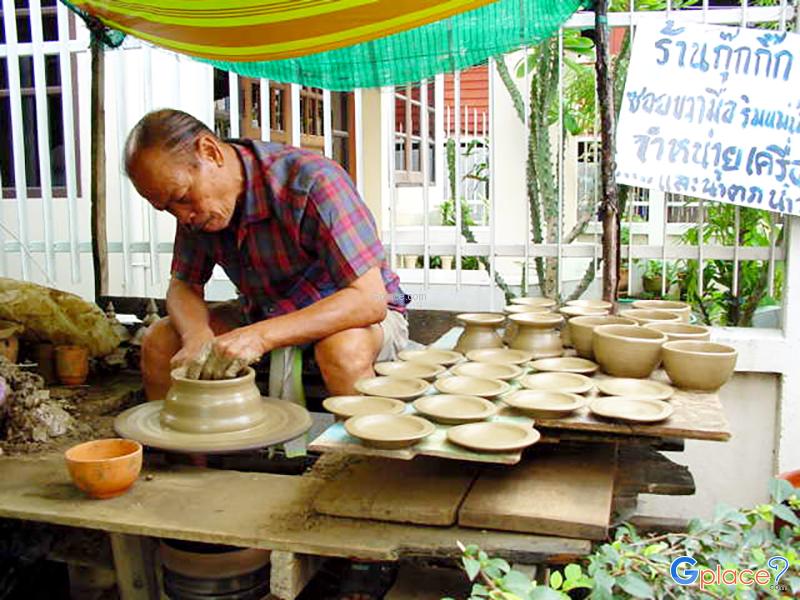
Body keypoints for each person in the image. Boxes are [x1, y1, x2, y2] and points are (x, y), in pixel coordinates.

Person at [125, 108, 409, 400]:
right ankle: (178, 445)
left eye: (182, 197)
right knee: (159, 341)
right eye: (168, 208)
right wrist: (196, 336)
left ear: (210, 152)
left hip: (354, 315)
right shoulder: (196, 213)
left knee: (342, 349)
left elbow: (369, 300)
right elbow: (184, 285)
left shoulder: (313, 181)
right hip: (263, 311)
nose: (183, 216)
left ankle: (363, 444)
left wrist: (260, 336)